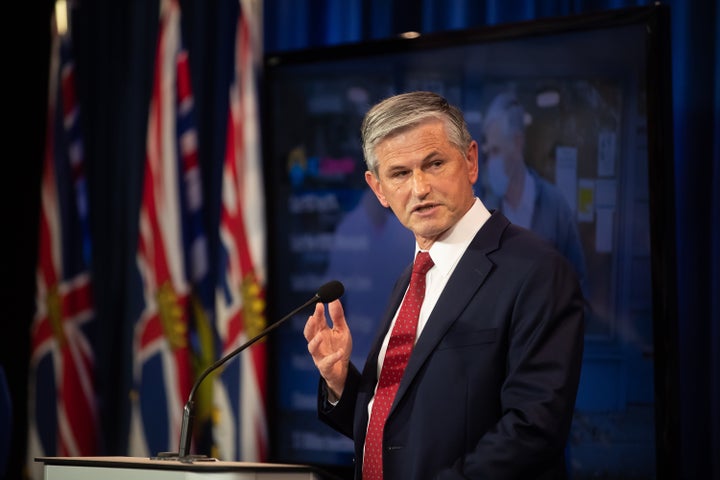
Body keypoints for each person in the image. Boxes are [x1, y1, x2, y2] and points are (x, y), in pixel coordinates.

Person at [303, 91, 585, 479]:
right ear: (378, 189)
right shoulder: (412, 276)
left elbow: (532, 430)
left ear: (470, 161)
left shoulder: (536, 270)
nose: (419, 188)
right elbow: (398, 428)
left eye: (434, 164)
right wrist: (340, 383)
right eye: (400, 174)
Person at [480, 91, 586, 286]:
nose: (490, 164)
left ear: (517, 143)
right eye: (488, 154)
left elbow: (578, 282)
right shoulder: (486, 213)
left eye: (496, 151)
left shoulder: (555, 207)